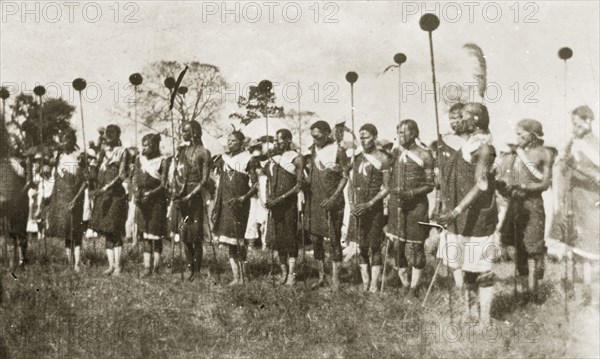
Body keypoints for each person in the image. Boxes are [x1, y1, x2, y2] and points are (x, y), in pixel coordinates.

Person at [437, 103, 498, 323]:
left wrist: (456, 210)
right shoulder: (467, 144)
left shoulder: (486, 149)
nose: (458, 119)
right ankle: (471, 313)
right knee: (467, 269)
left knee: (482, 271)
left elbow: (481, 184)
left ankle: (484, 321)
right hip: (459, 218)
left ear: (475, 120)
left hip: (478, 217)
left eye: (463, 116)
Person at [496, 119, 553, 302]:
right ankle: (524, 293)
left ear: (533, 135)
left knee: (533, 250)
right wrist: (503, 187)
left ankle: (534, 293)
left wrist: (524, 186)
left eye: (522, 134)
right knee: (518, 250)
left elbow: (544, 183)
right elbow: (504, 178)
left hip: (533, 205)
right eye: (517, 134)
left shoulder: (544, 153)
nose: (518, 137)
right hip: (515, 205)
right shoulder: (513, 155)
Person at [551, 105, 599, 305]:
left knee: (589, 254)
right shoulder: (572, 144)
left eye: (578, 124)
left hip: (590, 204)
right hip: (572, 204)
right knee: (572, 252)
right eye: (573, 124)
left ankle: (590, 298)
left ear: (588, 122)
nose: (574, 128)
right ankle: (573, 294)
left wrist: (576, 165)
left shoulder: (594, 145)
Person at [387, 120, 435, 297]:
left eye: (404, 132)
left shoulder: (425, 155)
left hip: (416, 207)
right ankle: (404, 281)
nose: (400, 135)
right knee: (397, 245)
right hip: (397, 206)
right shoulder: (395, 152)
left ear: (415, 133)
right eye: (398, 132)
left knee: (416, 248)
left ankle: (414, 287)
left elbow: (431, 184)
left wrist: (411, 193)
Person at [305, 121, 349, 291]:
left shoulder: (338, 150)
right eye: (312, 136)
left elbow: (345, 176)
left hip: (333, 201)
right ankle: (322, 276)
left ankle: (336, 280)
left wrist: (334, 197)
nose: (315, 139)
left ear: (326, 133)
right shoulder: (312, 150)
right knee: (315, 239)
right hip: (316, 200)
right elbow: (311, 175)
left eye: (318, 136)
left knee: (334, 239)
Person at [348, 124, 390, 292]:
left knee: (374, 246)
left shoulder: (383, 158)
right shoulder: (356, 157)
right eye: (361, 137)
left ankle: (374, 284)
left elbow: (387, 187)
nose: (363, 140)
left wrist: (370, 204)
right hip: (358, 204)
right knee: (361, 245)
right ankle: (365, 282)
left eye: (366, 137)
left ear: (374, 136)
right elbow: (350, 183)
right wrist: (352, 203)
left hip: (373, 206)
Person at [213, 131, 259, 285]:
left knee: (240, 242)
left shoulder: (249, 159)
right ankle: (236, 277)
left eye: (233, 141)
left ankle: (244, 276)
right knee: (230, 242)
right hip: (226, 204)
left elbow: (256, 185)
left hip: (240, 205)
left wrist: (243, 198)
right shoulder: (223, 160)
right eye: (228, 141)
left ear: (241, 143)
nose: (230, 143)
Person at [172, 120, 211, 281]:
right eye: (183, 131)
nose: (184, 134)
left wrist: (190, 195)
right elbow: (176, 174)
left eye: (187, 131)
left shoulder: (204, 152)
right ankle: (189, 268)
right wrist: (178, 193)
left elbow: (204, 180)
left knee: (195, 235)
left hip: (195, 197)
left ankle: (197, 270)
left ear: (195, 132)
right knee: (184, 232)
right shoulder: (182, 151)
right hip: (182, 195)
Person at [265, 129, 304, 286]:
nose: (276, 143)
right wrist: (268, 197)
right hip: (275, 206)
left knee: (290, 239)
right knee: (278, 239)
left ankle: (292, 275)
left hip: (288, 205)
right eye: (274, 140)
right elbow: (268, 180)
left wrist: (280, 199)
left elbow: (298, 185)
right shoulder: (273, 159)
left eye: (279, 140)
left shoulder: (296, 158)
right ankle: (283, 273)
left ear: (288, 140)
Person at [90, 124, 130, 276]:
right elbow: (95, 170)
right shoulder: (102, 152)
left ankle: (118, 265)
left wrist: (106, 188)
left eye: (112, 134)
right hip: (102, 194)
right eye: (107, 134)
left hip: (115, 195)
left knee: (114, 229)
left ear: (117, 136)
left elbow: (121, 175)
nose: (108, 137)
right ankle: (110, 265)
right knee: (106, 230)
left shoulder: (123, 152)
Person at [47, 129, 86, 272]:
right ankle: (69, 264)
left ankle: (77, 263)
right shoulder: (59, 156)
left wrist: (76, 199)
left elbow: (85, 181)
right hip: (62, 199)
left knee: (75, 232)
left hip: (75, 197)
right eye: (61, 141)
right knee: (66, 231)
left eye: (65, 141)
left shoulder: (80, 156)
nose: (62, 144)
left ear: (71, 141)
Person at [134, 134, 169, 277]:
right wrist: (136, 192)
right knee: (145, 235)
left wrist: (150, 194)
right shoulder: (139, 160)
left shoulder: (163, 161)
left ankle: (156, 268)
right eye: (143, 145)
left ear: (155, 146)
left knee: (156, 235)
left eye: (147, 145)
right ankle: (146, 267)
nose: (144, 148)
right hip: (142, 201)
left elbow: (164, 184)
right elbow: (135, 178)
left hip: (157, 202)